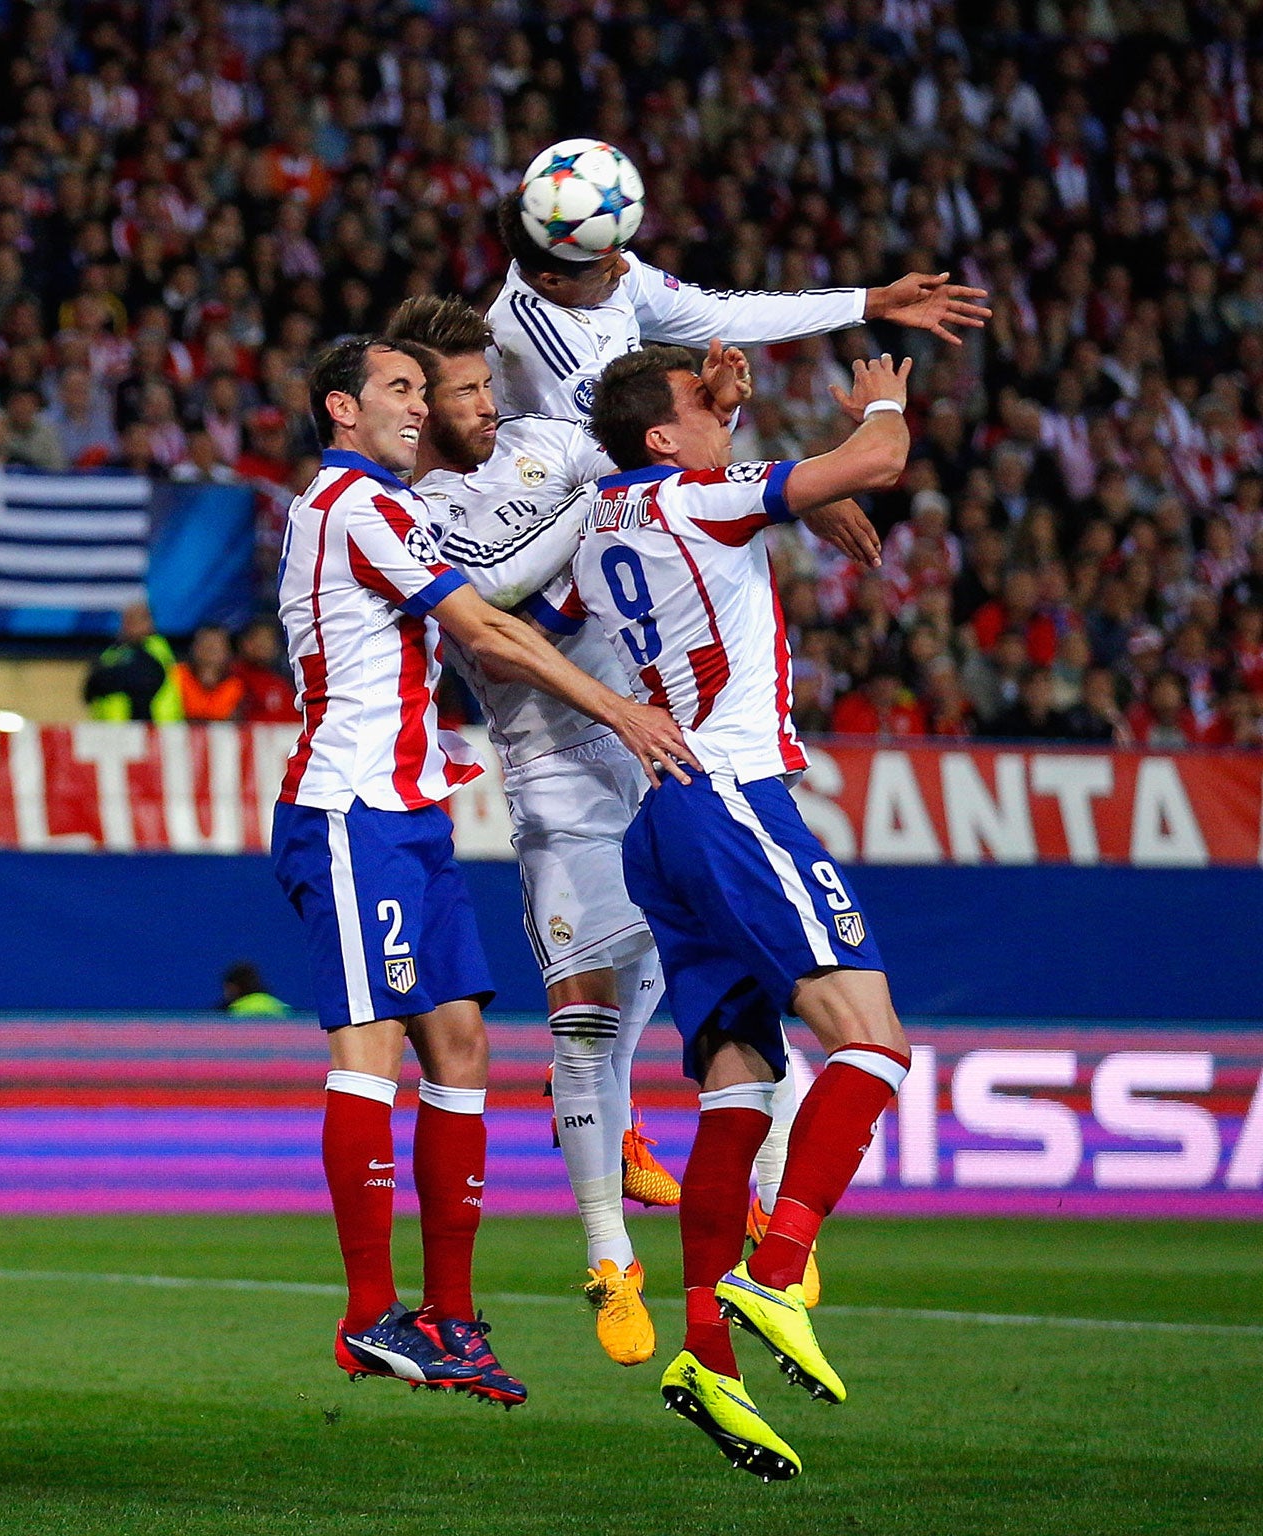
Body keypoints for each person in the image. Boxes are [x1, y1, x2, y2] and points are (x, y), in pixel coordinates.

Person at [389, 296, 884, 1365]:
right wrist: (773, 486)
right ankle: (611, 1262)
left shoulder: (552, 443)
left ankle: (758, 1215)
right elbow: (508, 596)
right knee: (583, 1020)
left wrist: (748, 454)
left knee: (729, 1002)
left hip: (658, 751)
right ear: (416, 405)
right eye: (464, 390)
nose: (487, 403)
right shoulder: (409, 517)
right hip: (556, 769)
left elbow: (646, 462)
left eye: (486, 381)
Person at [272, 334, 695, 1404]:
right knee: (369, 1048)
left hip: (408, 813)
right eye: (399, 390)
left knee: (460, 1049)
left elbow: (509, 590)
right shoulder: (348, 504)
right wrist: (618, 709)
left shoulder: (395, 506)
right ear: (340, 408)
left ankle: (450, 1318)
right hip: (349, 807)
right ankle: (371, 1315)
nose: (419, 407)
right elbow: (481, 630)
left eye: (430, 389)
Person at [547, 344, 916, 1480]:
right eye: (698, 410)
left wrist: (745, 426)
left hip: (656, 822)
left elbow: (564, 605)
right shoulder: (701, 497)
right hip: (732, 799)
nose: (719, 418)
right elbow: (880, 456)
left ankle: (704, 1353)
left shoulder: (601, 515)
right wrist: (876, 405)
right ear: (661, 437)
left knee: (739, 1086)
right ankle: (775, 1264)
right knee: (872, 1041)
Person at [487, 174, 990, 426]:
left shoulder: (604, 267)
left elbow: (727, 314)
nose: (625, 269)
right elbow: (618, 447)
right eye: (608, 266)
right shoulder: (531, 334)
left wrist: (873, 301)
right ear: (552, 281)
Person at [83, 600, 180, 721]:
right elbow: (89, 688)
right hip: (111, 732)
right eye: (126, 620)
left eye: (136, 620)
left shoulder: (157, 647)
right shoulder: (111, 653)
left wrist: (106, 679)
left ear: (150, 622)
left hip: (152, 731)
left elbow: (139, 677)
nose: (129, 625)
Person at [177, 624, 244, 720]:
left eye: (216, 645)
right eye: (205, 643)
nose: (210, 649)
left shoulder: (237, 684)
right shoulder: (177, 676)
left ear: (228, 652)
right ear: (193, 648)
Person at [221, 962, 290, 1018]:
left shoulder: (234, 1011)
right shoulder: (278, 1007)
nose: (225, 992)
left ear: (234, 987)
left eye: (227, 987)